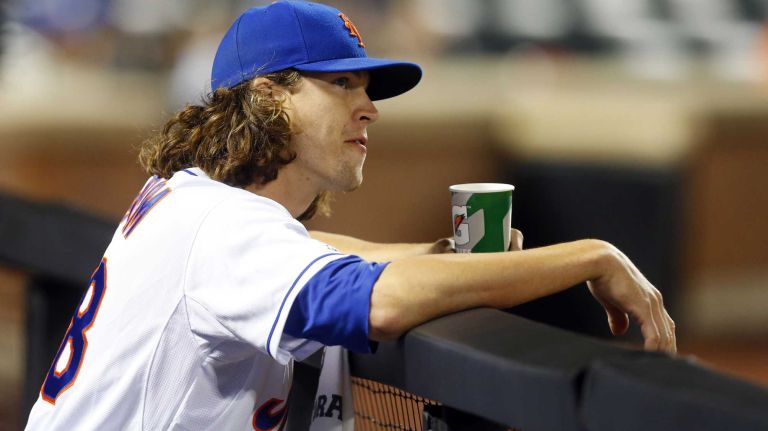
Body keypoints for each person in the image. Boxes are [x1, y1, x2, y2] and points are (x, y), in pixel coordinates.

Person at [25, 1, 675, 429]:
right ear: (267, 96)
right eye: (341, 84)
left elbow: (325, 251)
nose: (368, 107)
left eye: (366, 88)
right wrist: (590, 255)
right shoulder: (221, 227)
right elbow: (379, 302)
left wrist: (440, 254)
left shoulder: (189, 198)